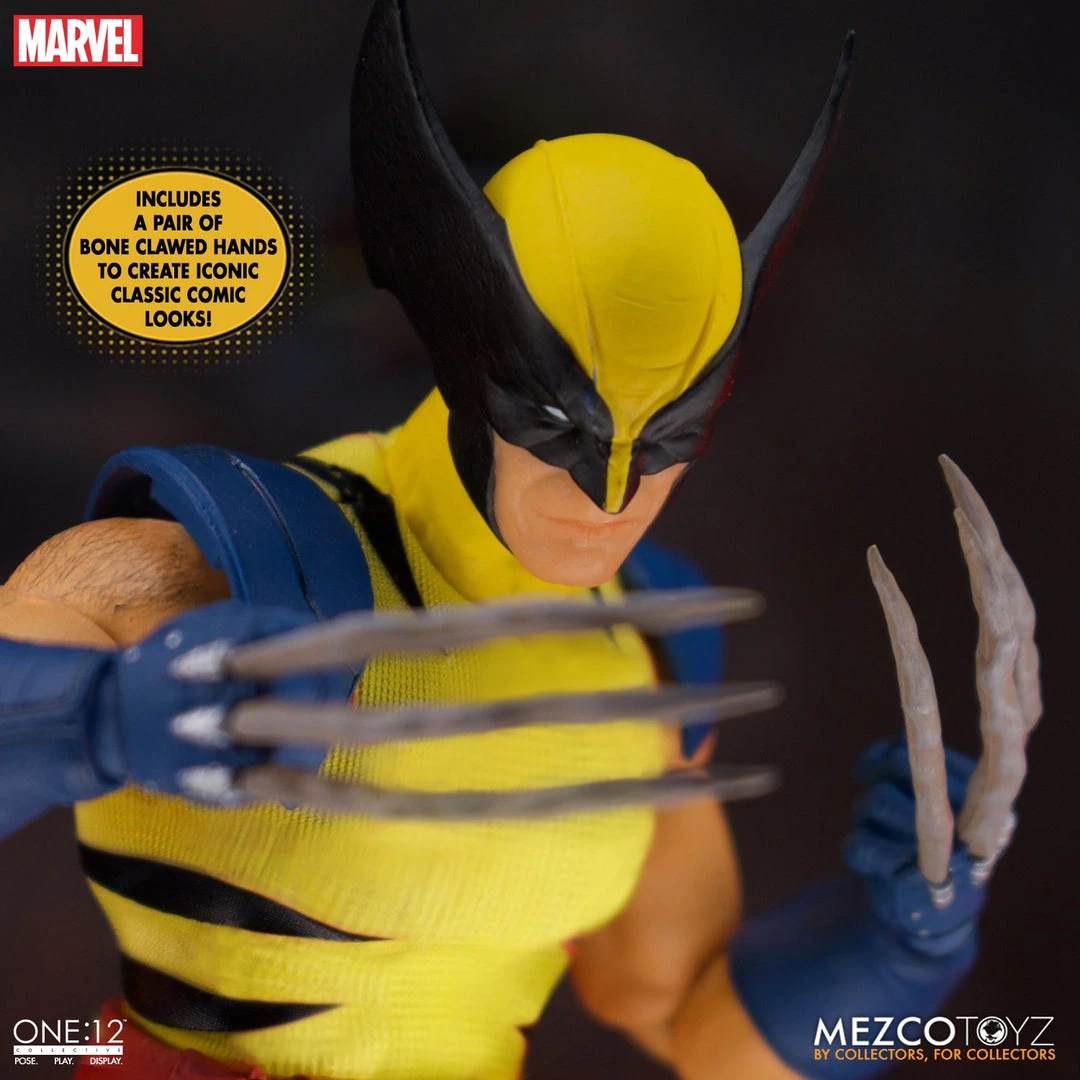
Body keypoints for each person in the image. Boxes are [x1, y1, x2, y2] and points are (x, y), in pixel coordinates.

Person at [0, 2, 1040, 1078]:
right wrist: (90, 719)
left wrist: (890, 961)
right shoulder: (216, 553)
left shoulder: (645, 655)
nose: (616, 490)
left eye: (671, 433)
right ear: (470, 357)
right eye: (559, 424)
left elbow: (693, 1024)